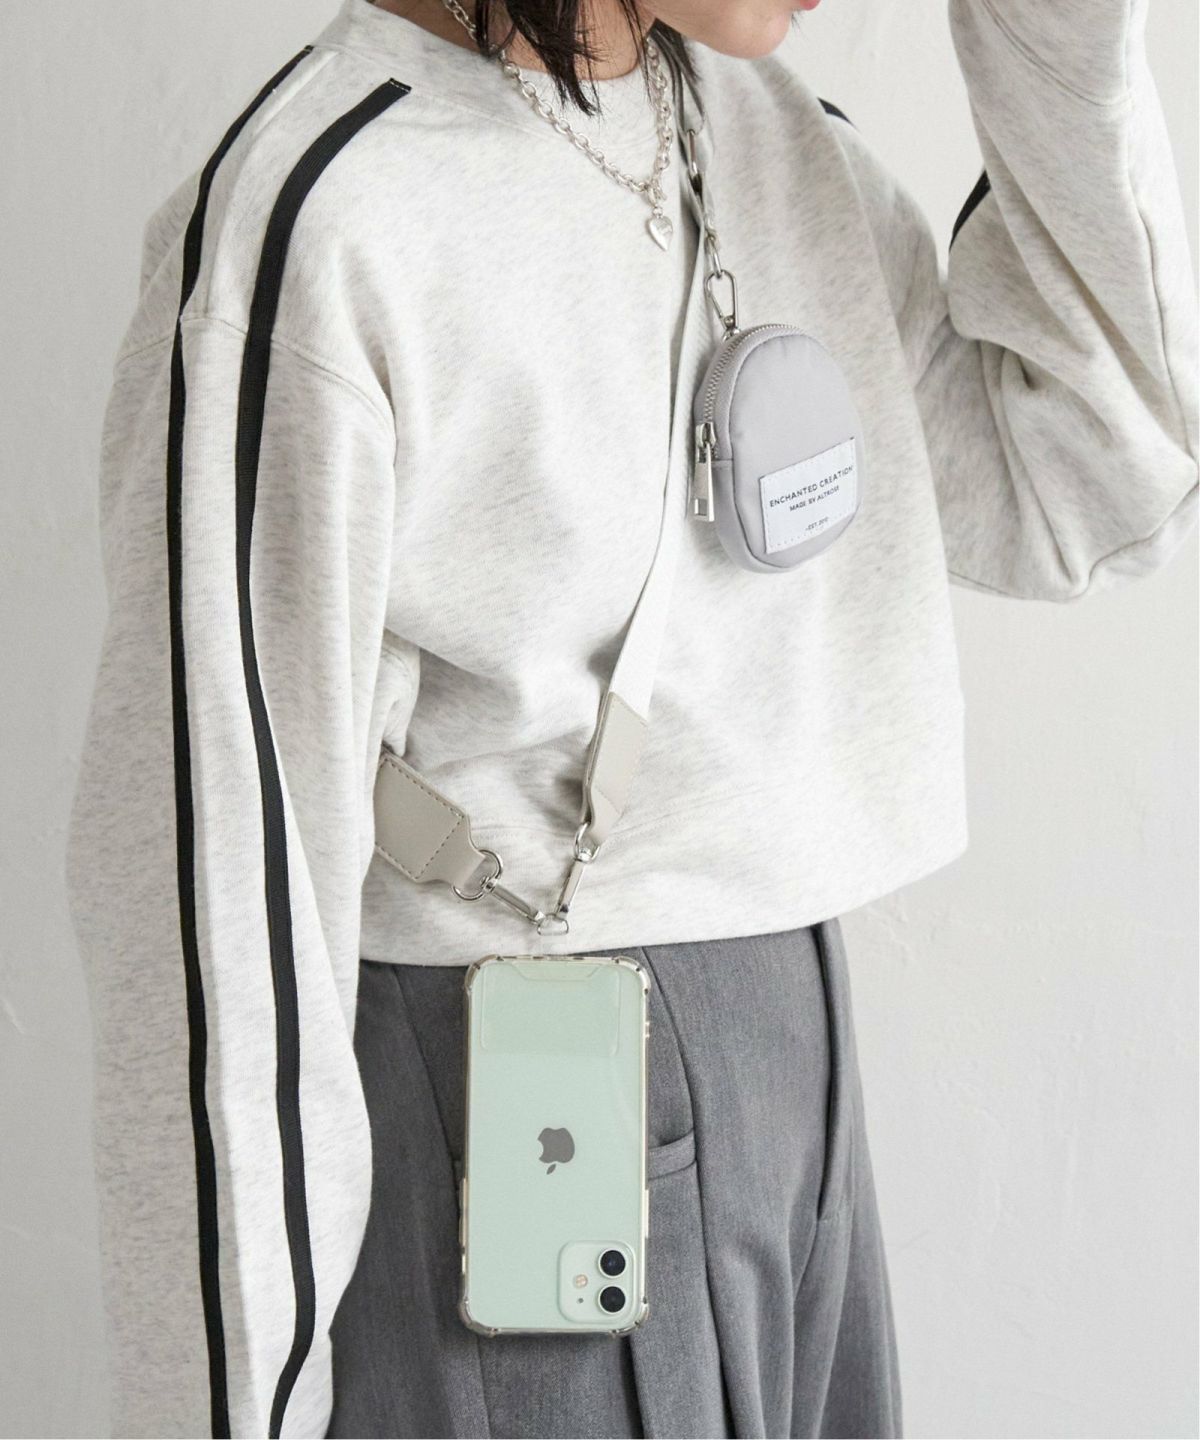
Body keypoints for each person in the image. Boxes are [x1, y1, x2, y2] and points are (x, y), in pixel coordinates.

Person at [64, 0, 1197, 1435]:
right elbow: (218, 916)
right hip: (510, 1123)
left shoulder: (767, 140)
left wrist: (1056, 32)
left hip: (800, 1097)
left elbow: (1094, 482)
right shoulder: (322, 221)